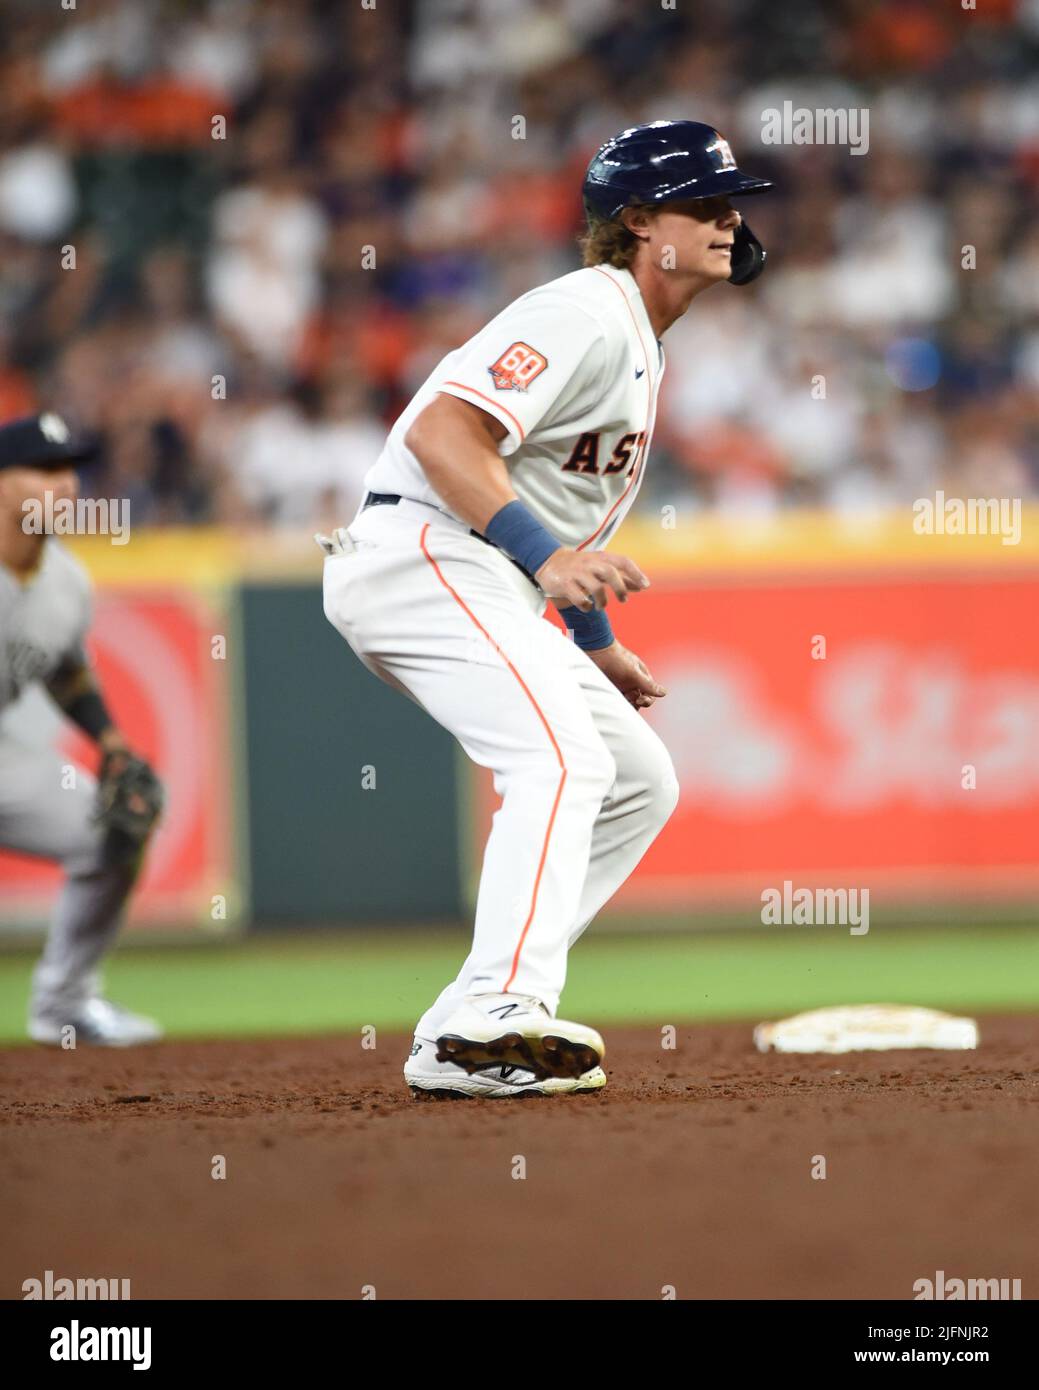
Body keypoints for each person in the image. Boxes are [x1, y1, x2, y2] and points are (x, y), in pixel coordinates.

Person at [321, 121, 772, 1097]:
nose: (731, 221)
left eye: (734, 205)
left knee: (636, 777)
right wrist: (544, 559)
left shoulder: (638, 339)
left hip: (482, 573)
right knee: (561, 757)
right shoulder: (587, 309)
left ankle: (463, 1017)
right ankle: (499, 1011)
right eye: (707, 205)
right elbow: (446, 429)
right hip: (422, 549)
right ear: (641, 222)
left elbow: (558, 519)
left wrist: (596, 643)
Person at [0, 413, 164, 1045]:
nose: (64, 485)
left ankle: (64, 1006)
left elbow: (68, 674)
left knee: (110, 831)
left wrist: (111, 742)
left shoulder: (66, 580)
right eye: (43, 470)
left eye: (69, 468)